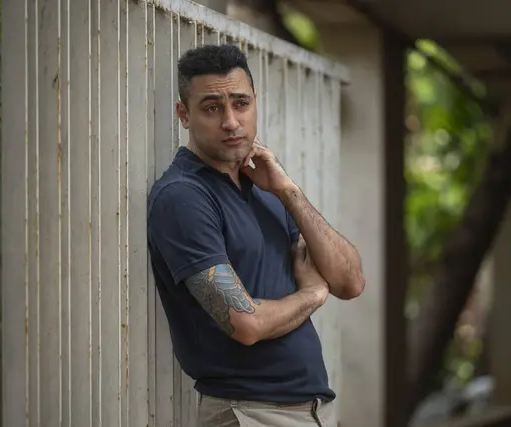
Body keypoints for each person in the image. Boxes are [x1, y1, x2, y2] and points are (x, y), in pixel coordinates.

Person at [147, 44, 365, 427]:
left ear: (255, 102)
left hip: (310, 410)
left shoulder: (265, 187)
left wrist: (288, 191)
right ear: (184, 114)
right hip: (249, 413)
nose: (231, 121)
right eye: (212, 107)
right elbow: (245, 324)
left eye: (241, 103)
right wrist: (313, 294)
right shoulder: (183, 196)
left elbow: (349, 281)